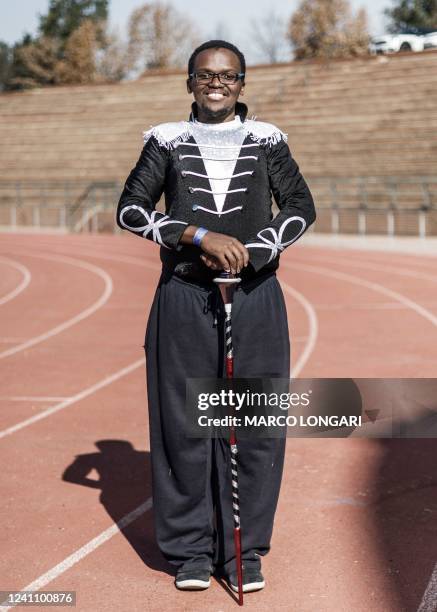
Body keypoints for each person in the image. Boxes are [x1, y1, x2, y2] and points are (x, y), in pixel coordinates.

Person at [116, 40, 316, 594]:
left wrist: (255, 251)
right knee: (183, 426)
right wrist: (194, 234)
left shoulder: (267, 140)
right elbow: (130, 209)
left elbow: (301, 206)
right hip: (183, 298)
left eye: (228, 76)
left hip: (255, 297)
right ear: (190, 83)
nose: (217, 84)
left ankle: (243, 550)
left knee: (252, 426)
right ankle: (190, 552)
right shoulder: (166, 141)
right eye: (205, 76)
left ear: (242, 83)